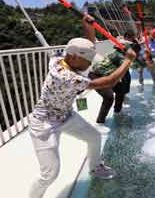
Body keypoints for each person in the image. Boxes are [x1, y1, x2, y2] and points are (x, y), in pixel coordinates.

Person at [28, 14, 136, 198]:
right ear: (73, 57)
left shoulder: (62, 58)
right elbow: (110, 81)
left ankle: (95, 168)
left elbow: (88, 46)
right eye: (87, 60)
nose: (89, 63)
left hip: (66, 115)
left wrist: (88, 27)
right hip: (44, 124)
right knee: (49, 174)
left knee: (94, 137)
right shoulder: (65, 76)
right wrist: (128, 60)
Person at [89, 29, 141, 127]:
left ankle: (117, 112)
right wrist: (138, 61)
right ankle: (100, 122)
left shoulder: (123, 53)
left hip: (107, 75)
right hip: (96, 76)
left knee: (120, 91)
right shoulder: (121, 56)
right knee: (109, 97)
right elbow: (131, 65)